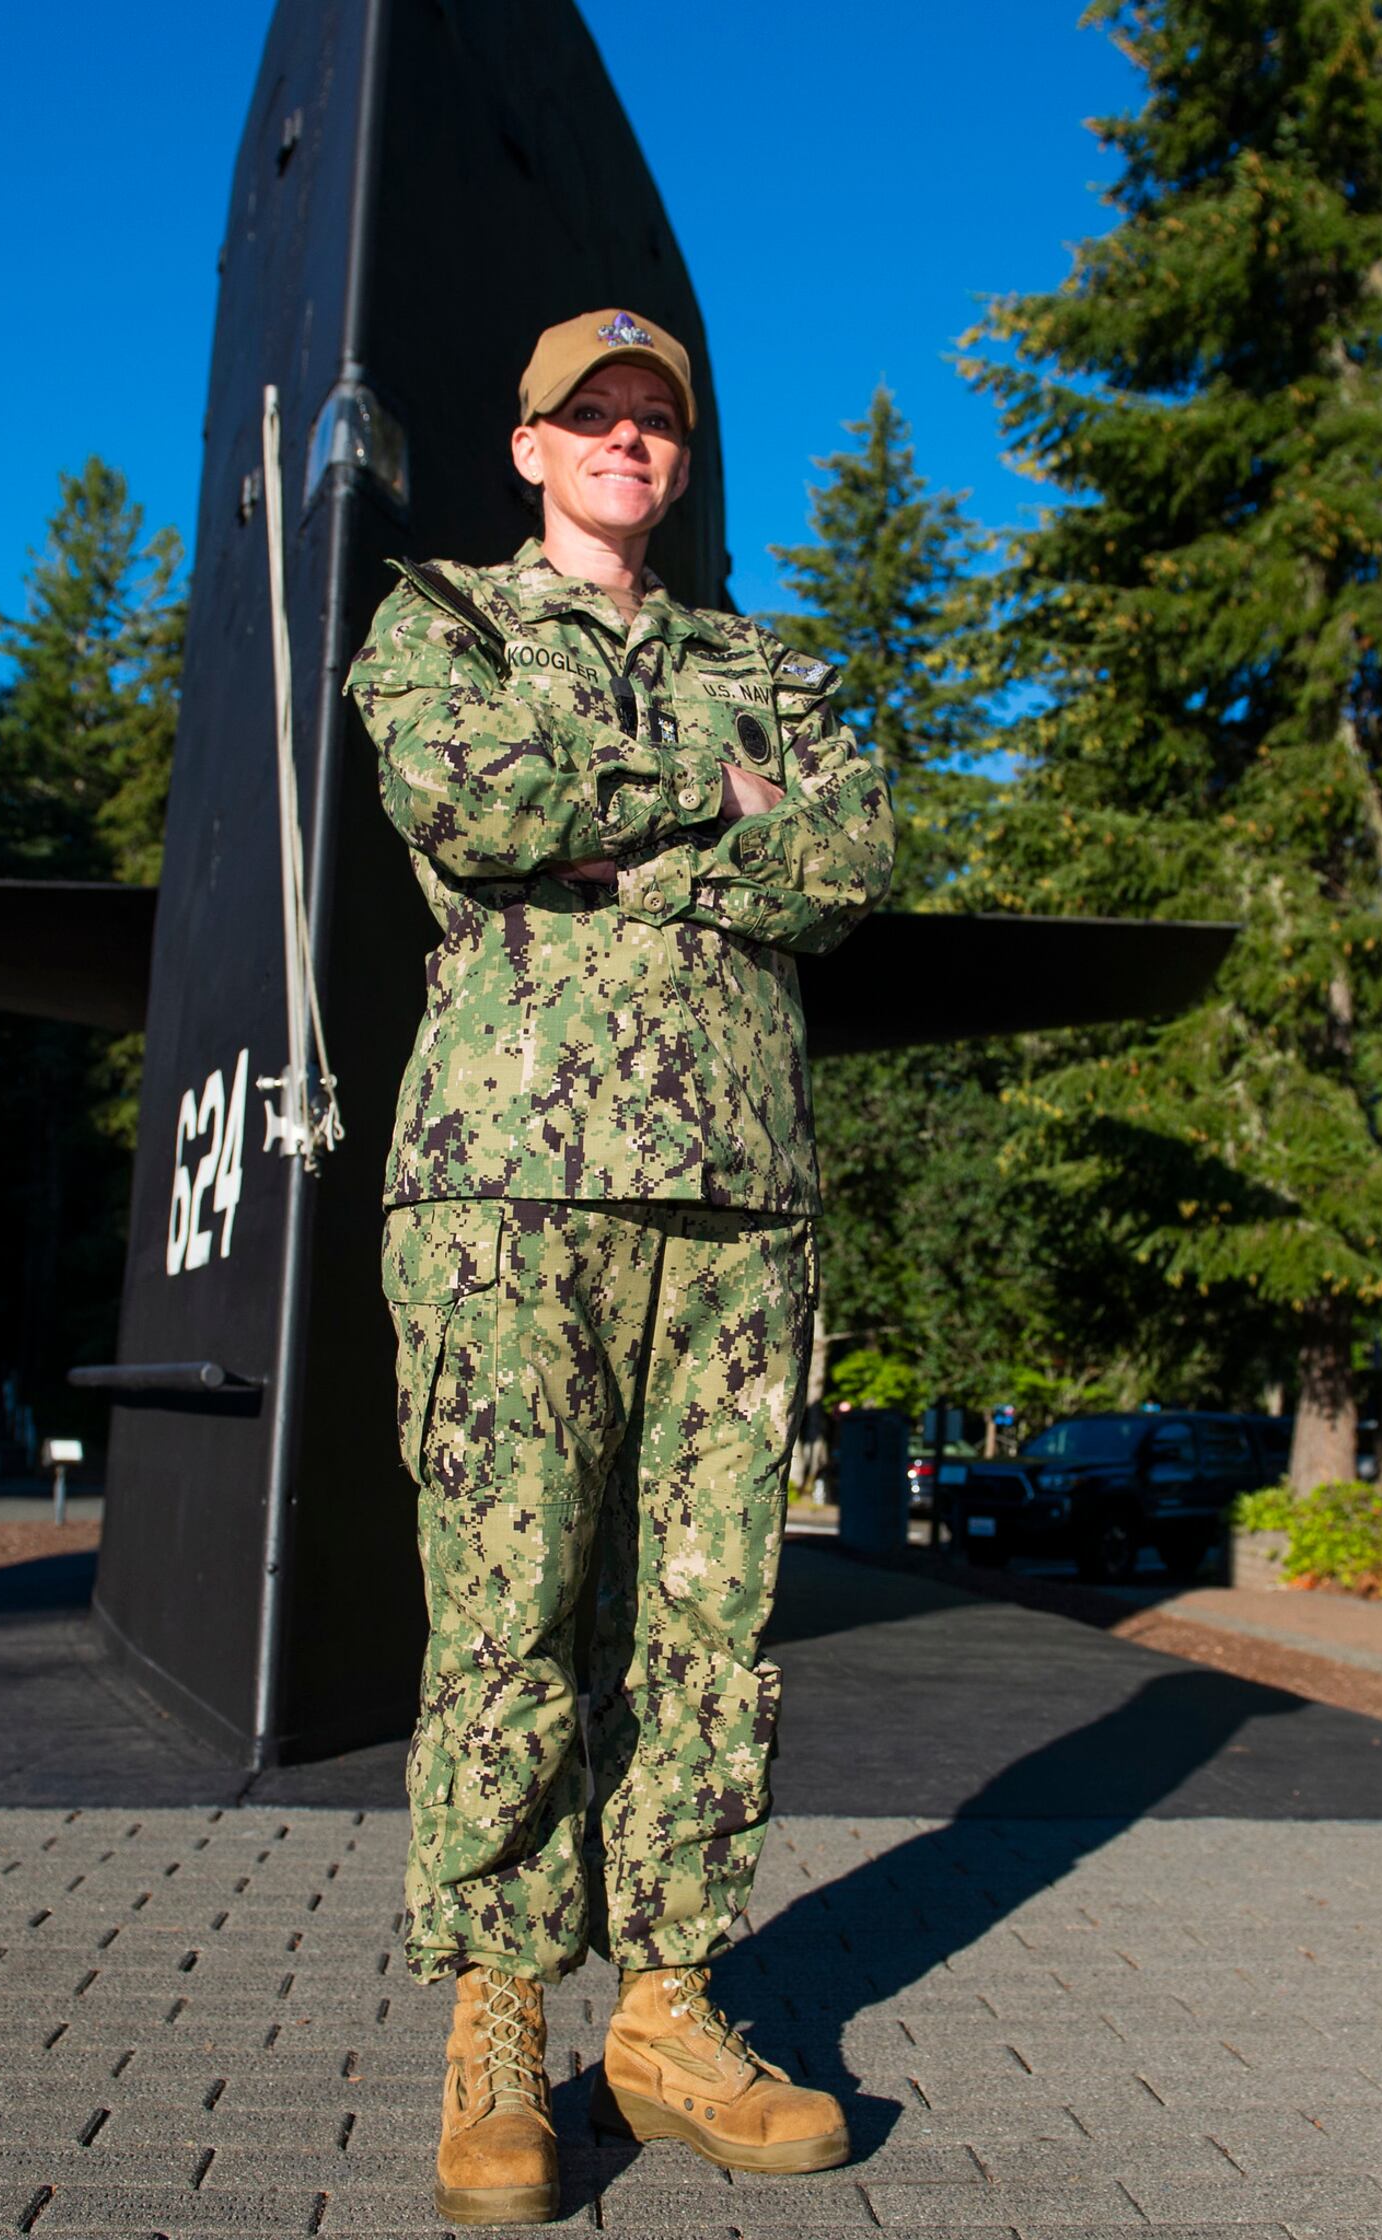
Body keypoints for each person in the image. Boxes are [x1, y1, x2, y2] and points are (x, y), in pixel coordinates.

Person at [346, 306, 894, 2225]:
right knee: (508, 1609)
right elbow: (470, 801)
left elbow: (850, 858)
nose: (628, 444)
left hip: (740, 1195)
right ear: (529, 446)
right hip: (506, 1188)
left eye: (657, 422)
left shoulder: (773, 660)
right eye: (595, 416)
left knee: (709, 1623)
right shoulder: (445, 629)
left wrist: (630, 822)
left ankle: (667, 2011)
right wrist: (710, 799)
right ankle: (499, 2022)